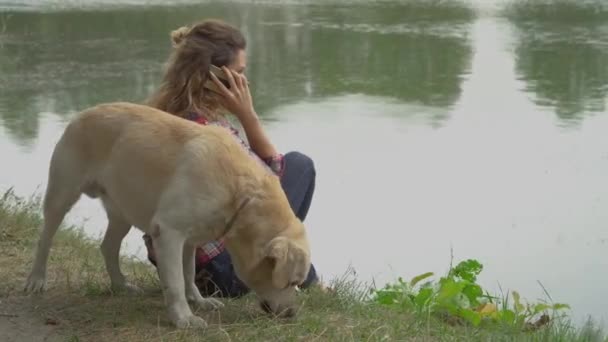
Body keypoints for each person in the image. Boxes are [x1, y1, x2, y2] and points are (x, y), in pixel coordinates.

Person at [141, 19, 320, 298]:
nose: (244, 82)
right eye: (239, 73)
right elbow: (270, 181)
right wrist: (249, 117)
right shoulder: (210, 132)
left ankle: (305, 276)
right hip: (222, 275)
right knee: (299, 166)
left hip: (175, 265)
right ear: (213, 76)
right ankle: (307, 278)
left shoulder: (159, 116)